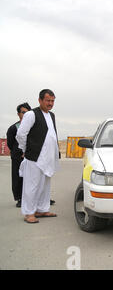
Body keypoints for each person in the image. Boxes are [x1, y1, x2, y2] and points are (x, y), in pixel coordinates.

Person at [16, 89, 60, 224]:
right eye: (48, 100)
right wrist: (26, 149)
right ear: (40, 100)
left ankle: (41, 209)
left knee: (45, 185)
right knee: (31, 185)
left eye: (52, 101)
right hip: (34, 156)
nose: (50, 103)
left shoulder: (51, 115)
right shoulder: (31, 114)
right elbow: (21, 135)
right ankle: (29, 213)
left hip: (48, 158)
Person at [7, 102, 32, 207]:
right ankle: (20, 198)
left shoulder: (33, 127)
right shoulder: (13, 128)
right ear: (18, 114)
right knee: (18, 177)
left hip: (31, 156)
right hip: (17, 157)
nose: (25, 115)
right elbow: (10, 143)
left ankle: (37, 198)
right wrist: (19, 152)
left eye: (27, 113)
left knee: (32, 178)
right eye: (23, 112)